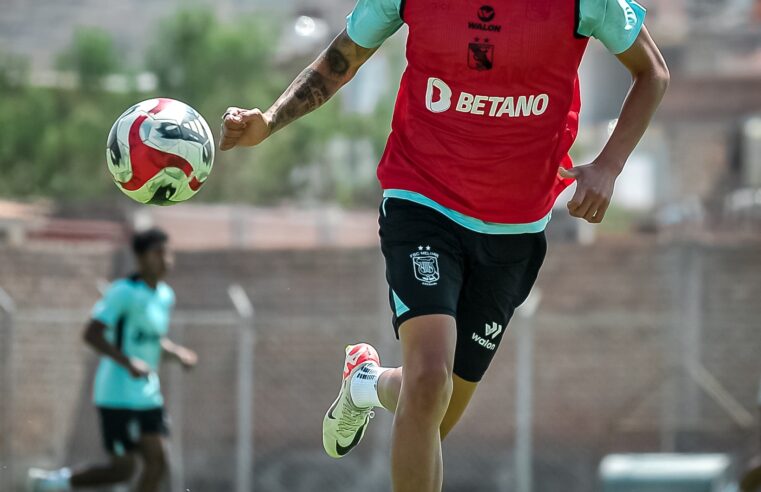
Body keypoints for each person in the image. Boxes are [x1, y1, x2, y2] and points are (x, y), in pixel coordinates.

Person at [220, 0, 669, 489]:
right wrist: (268, 120)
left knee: (434, 414)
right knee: (428, 382)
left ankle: (366, 384)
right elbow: (339, 62)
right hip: (423, 200)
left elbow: (653, 73)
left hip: (514, 228)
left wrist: (609, 165)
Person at [27, 228, 198, 492]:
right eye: (157, 252)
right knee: (122, 470)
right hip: (117, 393)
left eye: (168, 252)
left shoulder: (165, 296)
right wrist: (128, 362)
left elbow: (150, 340)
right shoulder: (123, 292)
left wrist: (176, 354)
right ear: (140, 258)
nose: (166, 258)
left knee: (158, 462)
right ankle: (53, 484)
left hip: (147, 393)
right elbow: (91, 334)